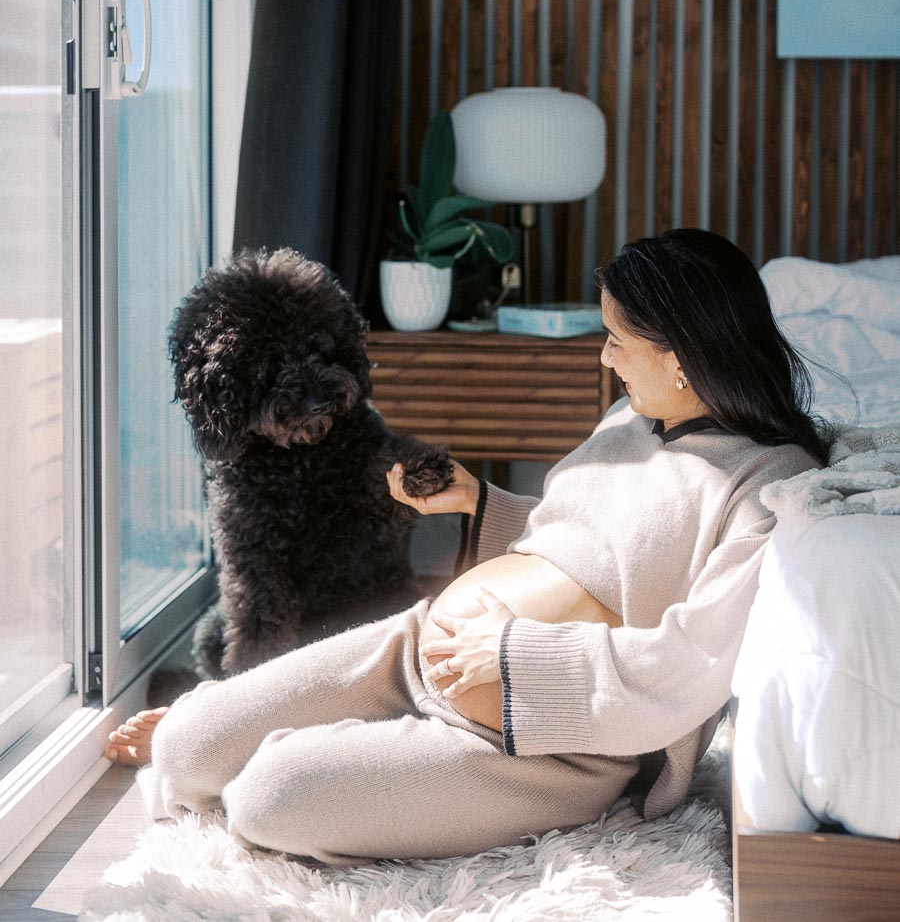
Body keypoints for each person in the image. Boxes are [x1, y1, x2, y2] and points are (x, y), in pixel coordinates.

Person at [104, 228, 828, 866]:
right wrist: (480, 503)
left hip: (544, 747)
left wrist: (513, 653)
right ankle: (346, 740)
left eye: (618, 341)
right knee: (186, 747)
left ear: (682, 356)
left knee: (266, 797)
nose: (607, 359)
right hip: (415, 648)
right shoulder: (628, 420)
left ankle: (353, 754)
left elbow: (695, 663)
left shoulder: (766, 480)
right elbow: (583, 546)